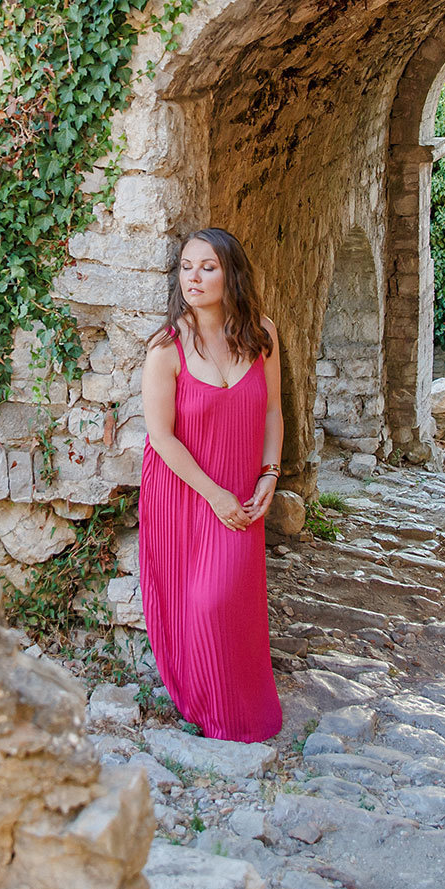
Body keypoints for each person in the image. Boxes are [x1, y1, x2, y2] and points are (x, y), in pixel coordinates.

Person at [137, 227, 285, 743]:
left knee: (229, 599)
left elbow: (271, 410)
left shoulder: (261, 334)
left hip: (242, 486)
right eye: (186, 267)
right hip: (183, 489)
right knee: (200, 601)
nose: (194, 278)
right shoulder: (167, 348)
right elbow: (160, 436)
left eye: (208, 267)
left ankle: (235, 706)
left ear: (231, 273)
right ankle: (202, 702)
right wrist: (213, 493)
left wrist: (270, 472)